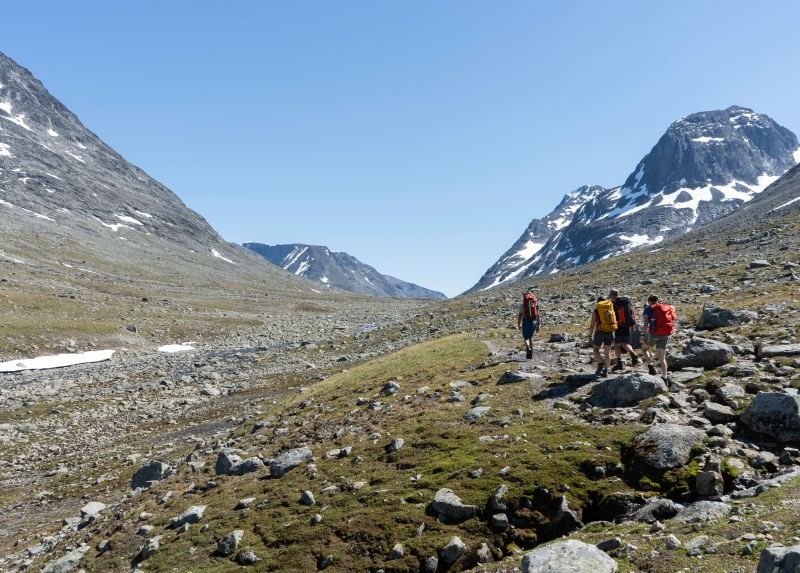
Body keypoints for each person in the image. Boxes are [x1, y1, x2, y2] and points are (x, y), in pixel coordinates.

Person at [642, 294, 675, 380]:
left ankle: (651, 366)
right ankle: (665, 377)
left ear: (649, 301)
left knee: (644, 349)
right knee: (662, 358)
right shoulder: (664, 307)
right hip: (665, 334)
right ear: (657, 300)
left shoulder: (647, 309)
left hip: (653, 334)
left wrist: (642, 335)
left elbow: (645, 325)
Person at [609, 288, 639, 371]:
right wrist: (633, 323)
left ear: (611, 295)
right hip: (627, 324)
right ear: (618, 294)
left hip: (618, 325)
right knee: (625, 342)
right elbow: (632, 312)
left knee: (616, 344)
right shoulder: (626, 301)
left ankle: (620, 363)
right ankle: (632, 352)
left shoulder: (613, 302)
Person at [588, 296, 617, 377]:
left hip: (600, 332)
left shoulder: (596, 310)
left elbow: (592, 324)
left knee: (595, 349)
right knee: (607, 353)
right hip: (610, 332)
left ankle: (600, 365)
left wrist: (590, 335)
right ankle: (606, 370)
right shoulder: (610, 309)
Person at [516, 287, 540, 360]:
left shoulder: (522, 304)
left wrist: (519, 324)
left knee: (526, 338)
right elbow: (538, 315)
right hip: (533, 321)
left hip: (525, 321)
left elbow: (520, 315)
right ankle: (531, 352)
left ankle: (528, 349)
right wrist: (538, 325)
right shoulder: (535, 303)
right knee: (531, 337)